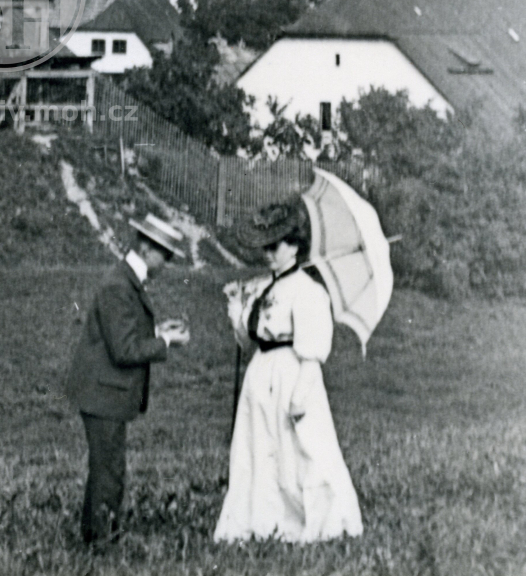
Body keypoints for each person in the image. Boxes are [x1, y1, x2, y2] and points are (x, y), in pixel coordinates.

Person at [214, 201, 362, 544]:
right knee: (260, 449)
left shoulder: (309, 291)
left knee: (302, 451)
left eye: (275, 246)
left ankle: (324, 520)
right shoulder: (264, 286)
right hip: (260, 375)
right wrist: (237, 309)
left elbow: (313, 351)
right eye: (265, 246)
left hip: (292, 375)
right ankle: (265, 523)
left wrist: (300, 396)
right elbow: (248, 338)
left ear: (294, 246)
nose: (268, 253)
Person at [65, 213, 191, 546]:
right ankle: (104, 545)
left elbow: (123, 335)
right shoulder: (119, 286)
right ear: (148, 248)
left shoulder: (123, 281)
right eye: (165, 255)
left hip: (103, 392)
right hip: (104, 393)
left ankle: (94, 539)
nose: (165, 264)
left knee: (104, 469)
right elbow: (124, 350)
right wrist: (165, 343)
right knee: (110, 473)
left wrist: (158, 331)